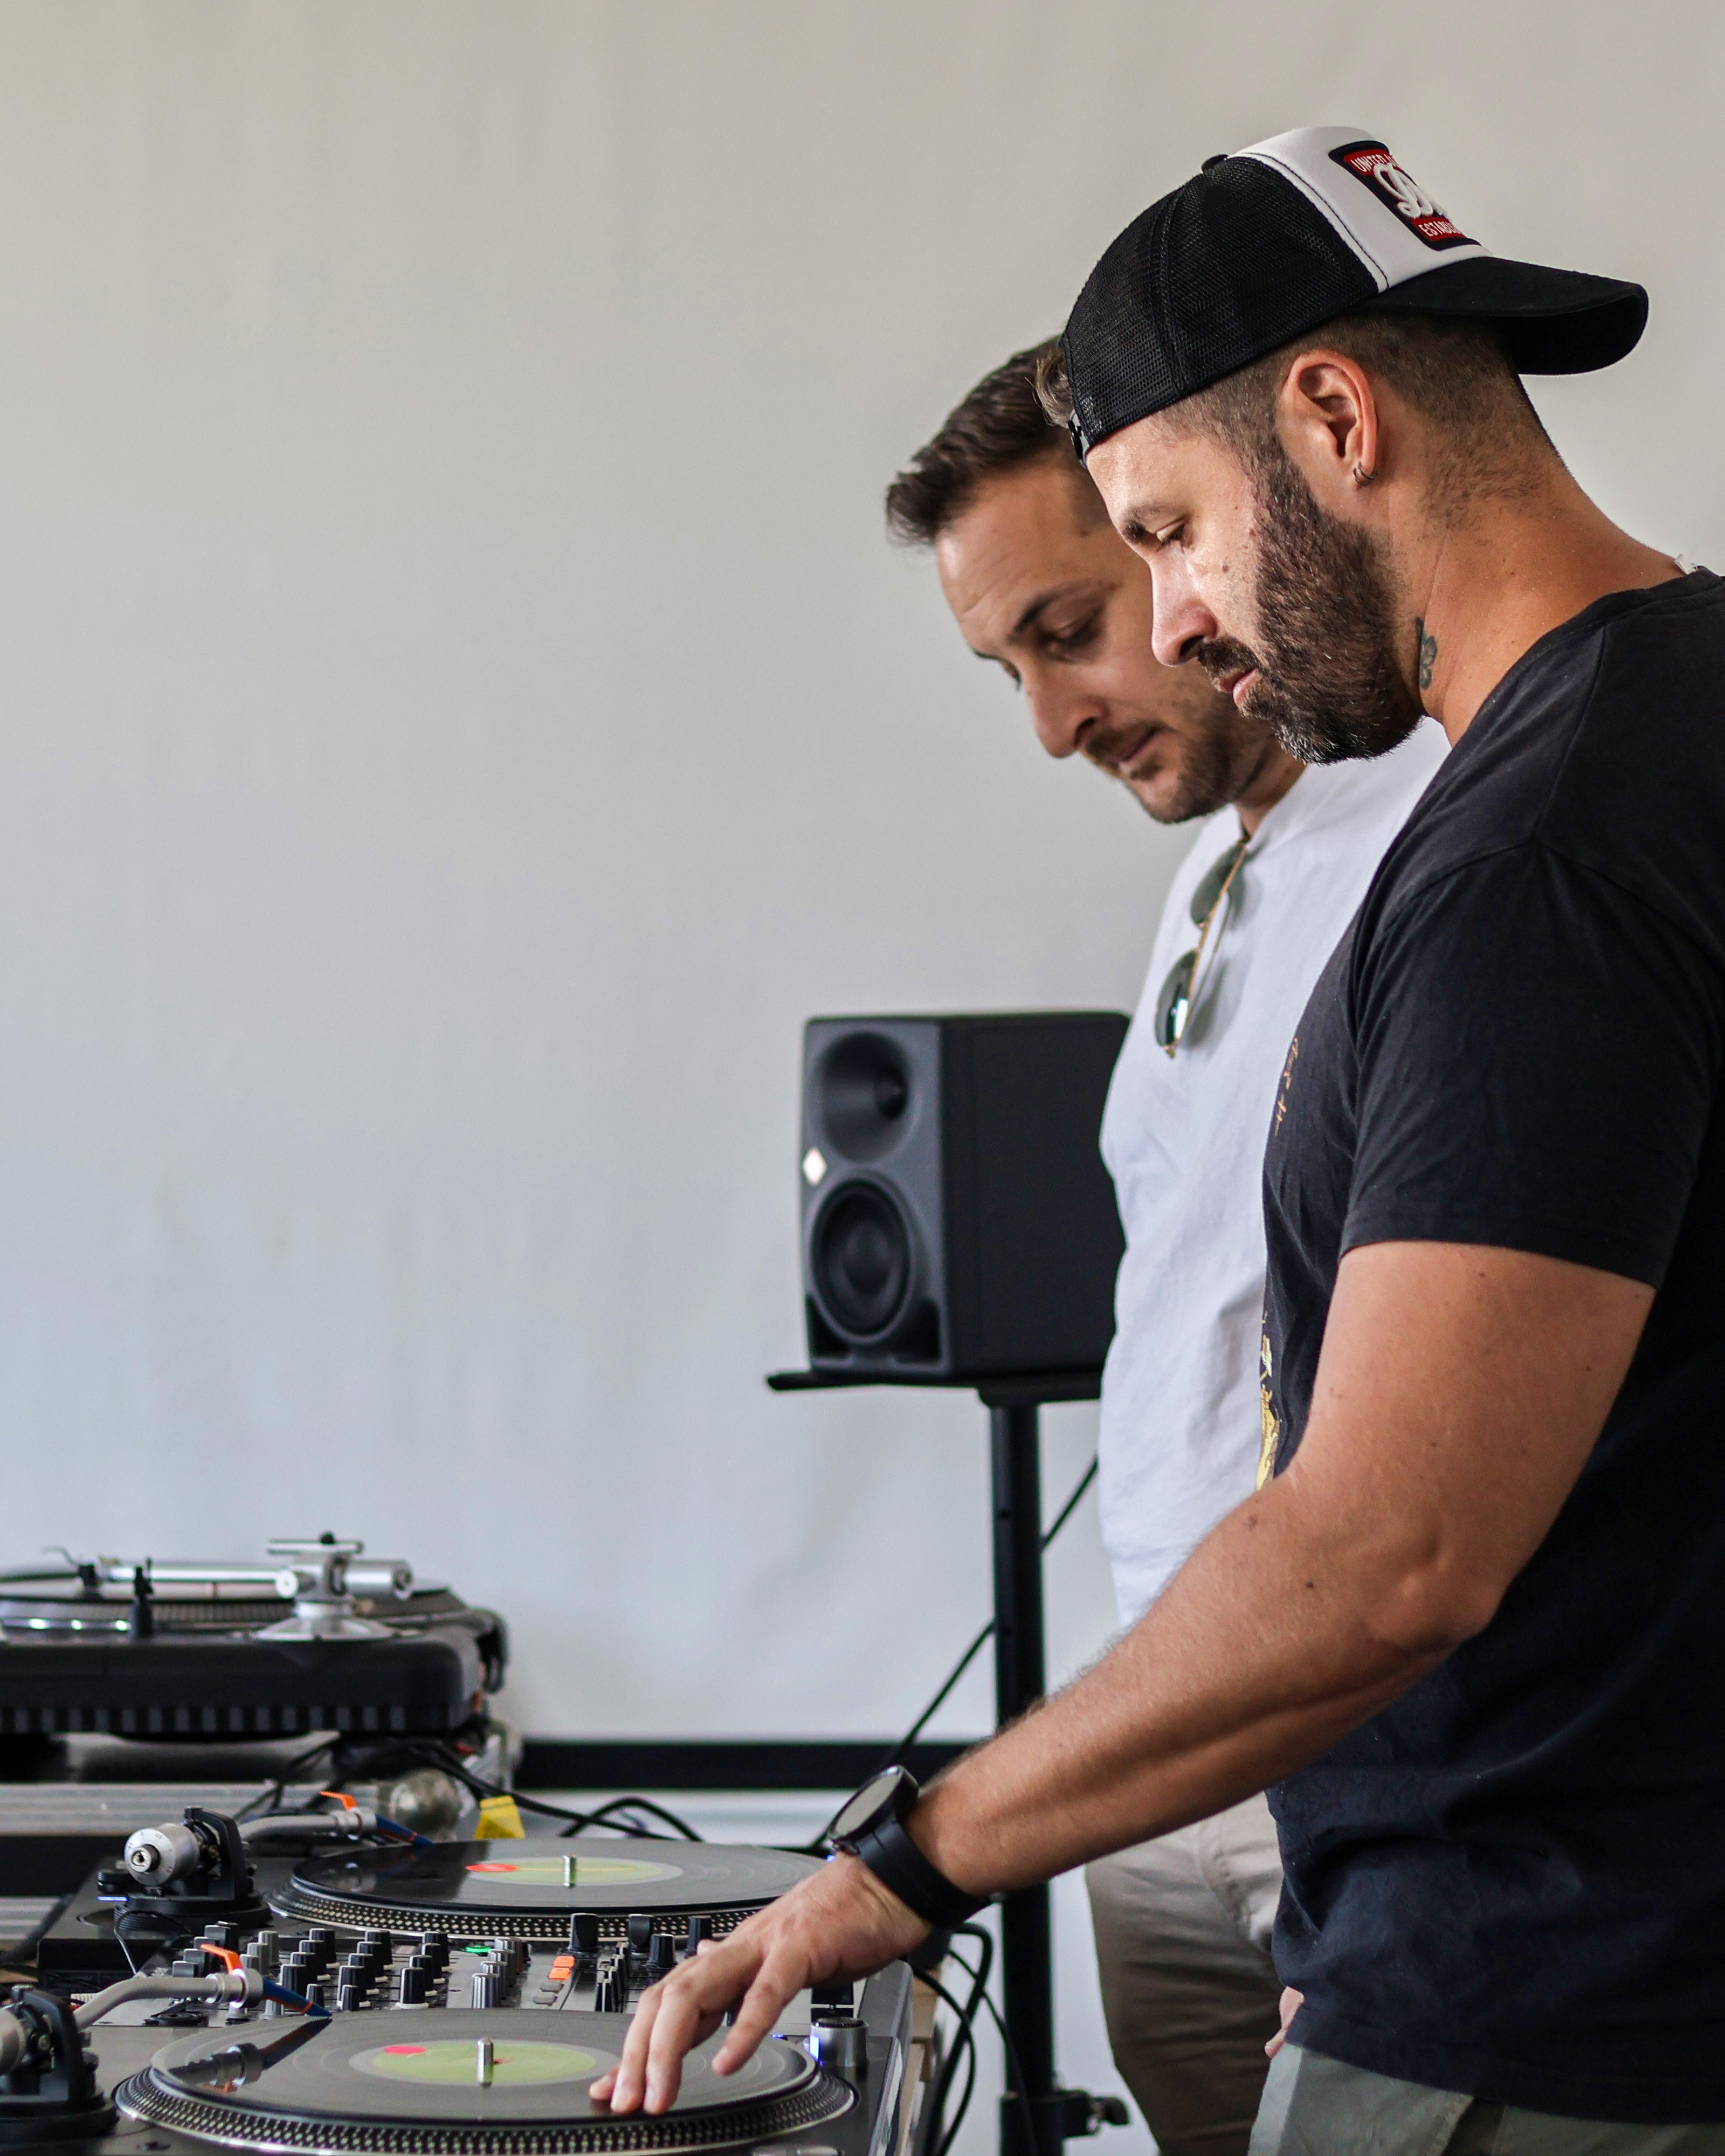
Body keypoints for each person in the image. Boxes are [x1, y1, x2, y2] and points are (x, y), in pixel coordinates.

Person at [599, 126, 1725, 2153]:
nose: (1183, 616)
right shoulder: (1667, 719)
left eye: (1173, 532)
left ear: (1336, 419)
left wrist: (904, 1867)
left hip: (1536, 2004)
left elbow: (1387, 1550)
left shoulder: (1539, 848)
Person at [880, 347, 1443, 2156]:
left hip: (1359, 1762)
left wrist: (1375, 1808)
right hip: (1170, 1748)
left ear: (1179, 536)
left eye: (1069, 630)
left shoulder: (1446, 835)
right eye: (1009, 671)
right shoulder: (1215, 877)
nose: (1055, 721)